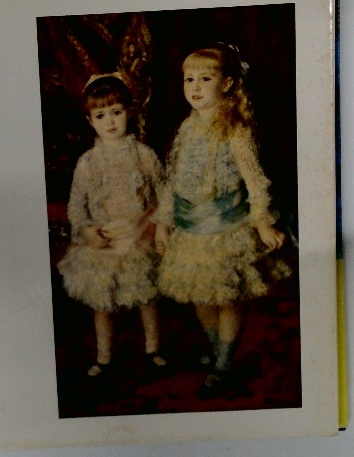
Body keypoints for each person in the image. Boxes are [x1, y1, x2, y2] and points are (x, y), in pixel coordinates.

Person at [154, 43, 288, 397]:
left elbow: (255, 180)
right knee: (201, 296)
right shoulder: (187, 127)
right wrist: (164, 222)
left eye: (205, 78)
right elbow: (173, 180)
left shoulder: (236, 129)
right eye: (189, 79)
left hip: (227, 229)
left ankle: (224, 363)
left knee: (228, 297)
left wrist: (262, 222)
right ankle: (217, 352)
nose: (195, 87)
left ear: (227, 83)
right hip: (191, 230)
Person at [58, 73, 166, 377]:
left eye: (116, 112)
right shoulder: (88, 162)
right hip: (104, 237)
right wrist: (86, 230)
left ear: (129, 112)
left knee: (146, 295)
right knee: (102, 300)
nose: (110, 122)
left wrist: (160, 226)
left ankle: (153, 349)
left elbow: (164, 193)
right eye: (101, 115)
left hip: (139, 234)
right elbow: (76, 204)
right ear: (90, 120)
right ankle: (104, 356)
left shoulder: (144, 155)